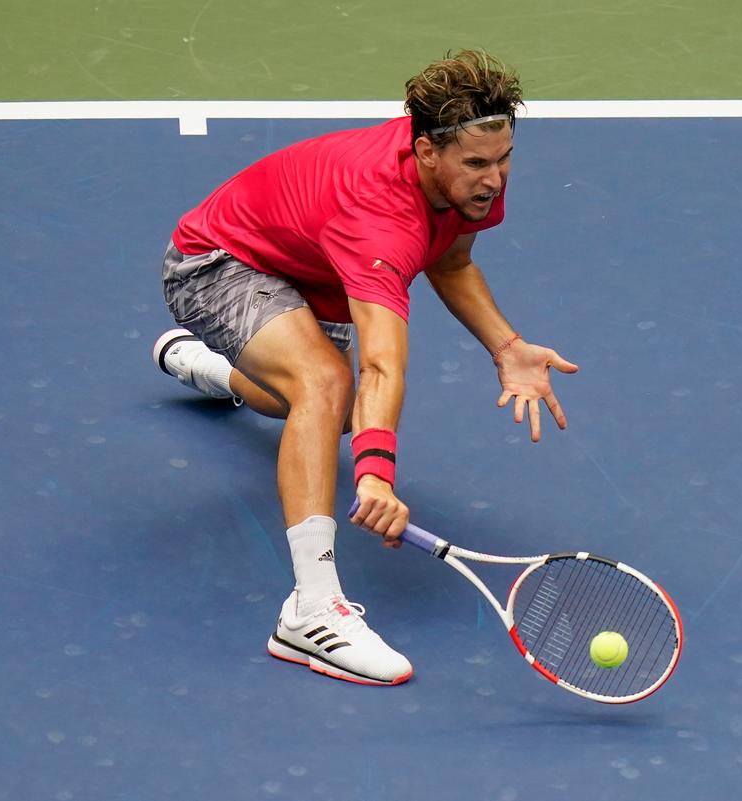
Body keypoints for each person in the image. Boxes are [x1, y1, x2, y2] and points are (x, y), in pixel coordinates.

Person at [149, 50, 578, 686]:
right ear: (426, 151)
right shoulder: (378, 217)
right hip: (217, 263)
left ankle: (203, 367)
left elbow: (452, 261)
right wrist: (375, 476)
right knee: (325, 386)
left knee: (294, 401)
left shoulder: (461, 173)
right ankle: (310, 612)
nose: (495, 178)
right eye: (478, 164)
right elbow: (380, 362)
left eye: (504, 158)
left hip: (307, 265)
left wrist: (506, 345)